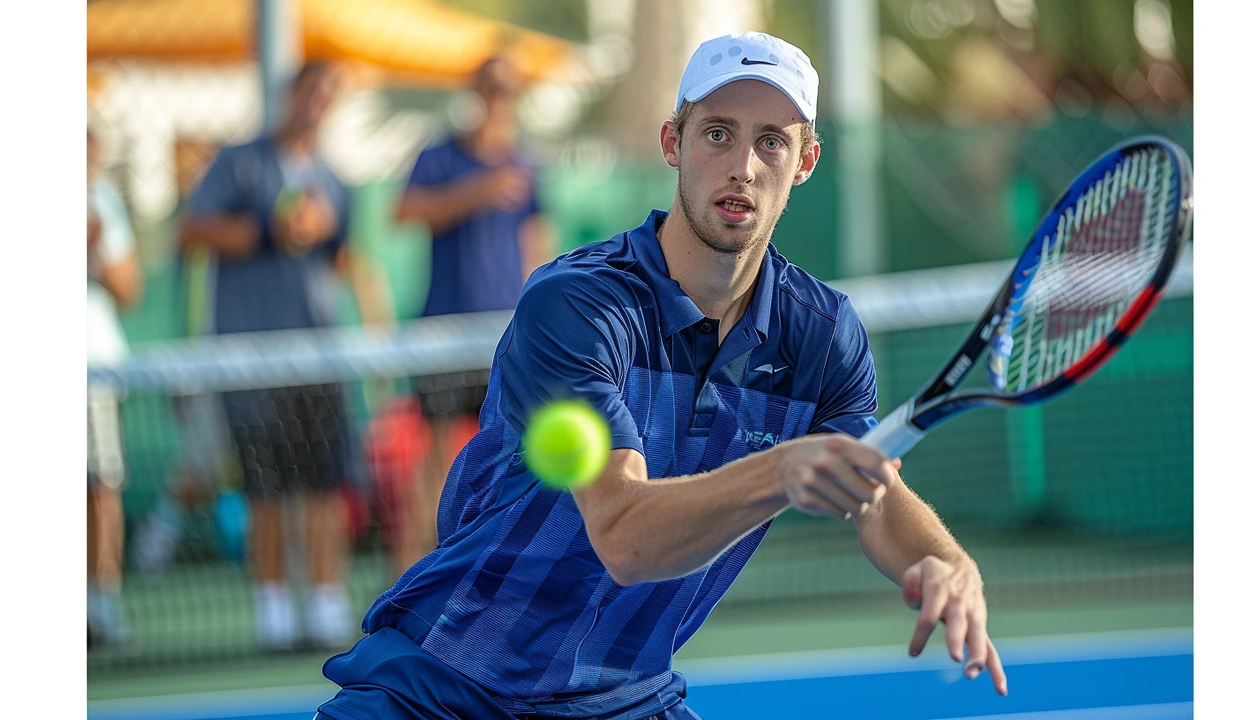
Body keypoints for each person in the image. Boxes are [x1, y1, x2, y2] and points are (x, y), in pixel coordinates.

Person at [318, 32, 1007, 720]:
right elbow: (623, 536)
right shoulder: (578, 305)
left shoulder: (822, 336)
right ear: (673, 143)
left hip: (624, 701)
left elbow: (875, 491)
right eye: (716, 133)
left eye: (772, 141)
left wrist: (942, 558)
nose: (742, 165)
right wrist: (780, 470)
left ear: (805, 161)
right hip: (444, 688)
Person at [181, 61, 374, 651]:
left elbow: (340, 257)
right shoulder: (239, 162)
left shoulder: (334, 179)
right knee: (265, 489)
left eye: (329, 96)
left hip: (318, 357)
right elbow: (193, 231)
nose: (319, 103)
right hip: (250, 358)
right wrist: (271, 229)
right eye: (312, 91)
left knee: (321, 485)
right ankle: (273, 612)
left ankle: (323, 603)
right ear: (292, 94)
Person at [387, 54, 552, 572]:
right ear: (475, 92)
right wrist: (475, 192)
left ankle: (494, 576)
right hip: (442, 334)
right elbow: (405, 211)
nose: (497, 99)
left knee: (511, 462)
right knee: (434, 461)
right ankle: (407, 577)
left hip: (504, 339)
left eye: (507, 90)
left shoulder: (527, 164)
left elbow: (536, 242)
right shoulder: (438, 157)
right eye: (490, 88)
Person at [87, 125, 144, 649]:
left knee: (100, 489)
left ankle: (100, 604)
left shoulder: (101, 201)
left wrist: (95, 245)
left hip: (95, 371)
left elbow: (129, 288)